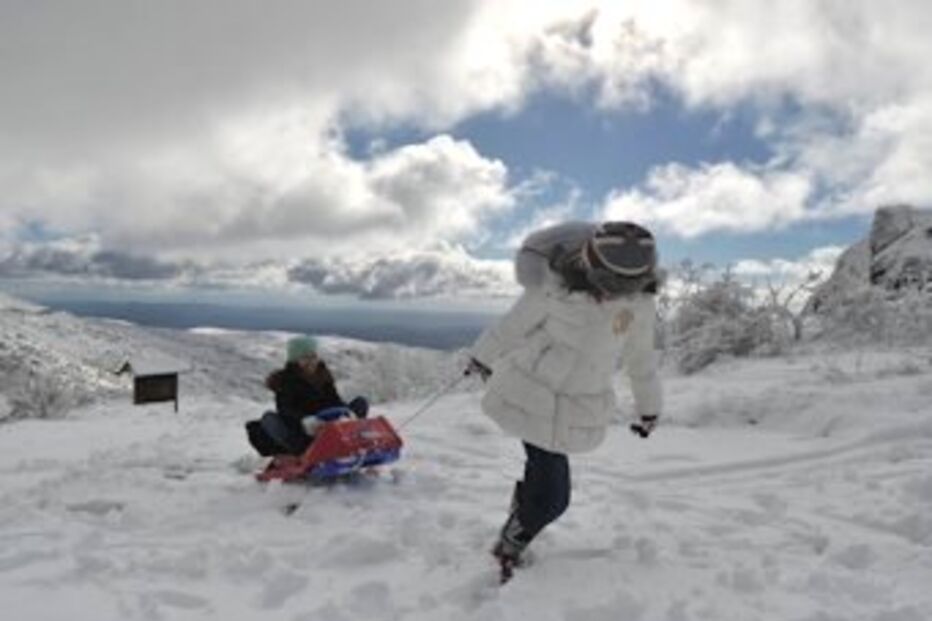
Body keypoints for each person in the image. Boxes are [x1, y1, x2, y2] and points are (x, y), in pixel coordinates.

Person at [466, 221, 663, 582]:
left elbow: (641, 359)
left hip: (576, 406)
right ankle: (509, 543)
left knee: (543, 480)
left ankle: (523, 510)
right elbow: (513, 325)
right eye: (608, 281)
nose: (613, 293)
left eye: (626, 285)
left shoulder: (638, 306)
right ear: (590, 264)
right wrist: (482, 356)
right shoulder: (555, 288)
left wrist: (649, 407)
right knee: (556, 498)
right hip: (530, 392)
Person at [246, 335, 369, 457]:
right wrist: (304, 419)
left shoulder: (323, 377)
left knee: (360, 402)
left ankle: (354, 439)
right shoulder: (286, 381)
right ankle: (303, 452)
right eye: (305, 358)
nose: (311, 362)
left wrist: (347, 413)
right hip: (303, 432)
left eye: (313, 357)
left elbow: (334, 400)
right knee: (269, 418)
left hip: (329, 425)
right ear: (295, 360)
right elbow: (285, 410)